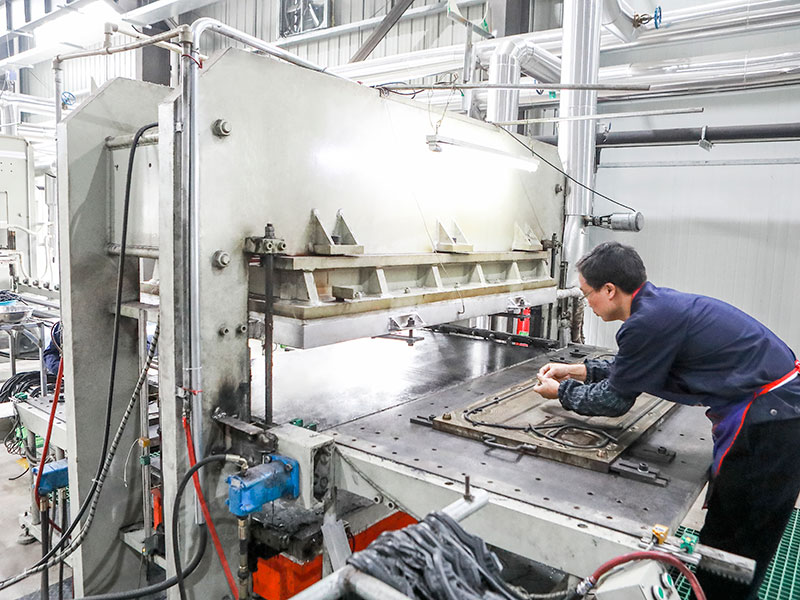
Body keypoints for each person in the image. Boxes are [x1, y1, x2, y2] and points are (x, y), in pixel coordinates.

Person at [533, 242, 800, 600]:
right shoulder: (657, 307)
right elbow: (633, 367)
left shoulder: (646, 322)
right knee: (726, 534)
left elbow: (614, 400)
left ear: (609, 290)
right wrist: (575, 370)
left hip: (771, 426)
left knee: (734, 545)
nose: (587, 303)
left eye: (586, 294)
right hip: (776, 412)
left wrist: (561, 393)